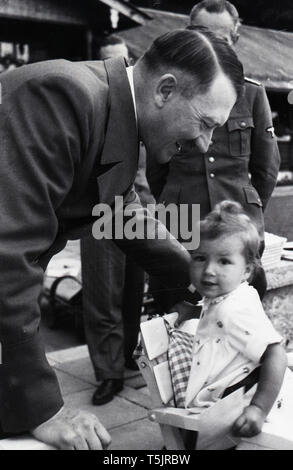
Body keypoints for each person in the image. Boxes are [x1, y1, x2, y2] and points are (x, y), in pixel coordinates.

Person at [0, 28, 244, 449]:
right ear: (165, 90)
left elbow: (121, 212)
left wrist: (205, 277)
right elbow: (6, 254)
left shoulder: (112, 114)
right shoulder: (62, 97)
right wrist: (42, 407)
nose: (204, 145)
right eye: (204, 124)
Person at [147, 0, 280, 314]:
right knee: (176, 314)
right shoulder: (171, 92)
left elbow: (266, 169)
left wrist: (245, 211)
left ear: (234, 40)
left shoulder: (251, 94)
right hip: (181, 225)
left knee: (239, 319)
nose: (213, 45)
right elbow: (156, 168)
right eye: (204, 34)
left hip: (237, 224)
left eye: (222, 38)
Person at [169, 201, 287, 444]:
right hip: (224, 396)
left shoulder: (234, 310)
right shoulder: (231, 294)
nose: (209, 270)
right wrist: (193, 311)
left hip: (234, 404)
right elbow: (214, 317)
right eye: (200, 258)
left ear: (246, 271)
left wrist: (258, 408)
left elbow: (276, 354)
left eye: (224, 261)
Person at [81, 37, 155, 406]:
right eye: (107, 61)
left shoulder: (145, 106)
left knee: (132, 291)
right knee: (102, 293)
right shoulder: (92, 106)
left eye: (121, 60)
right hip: (100, 211)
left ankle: (127, 354)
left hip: (140, 209)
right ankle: (107, 372)